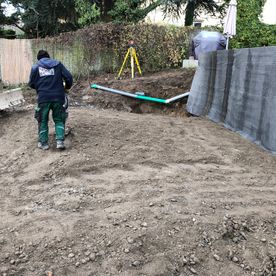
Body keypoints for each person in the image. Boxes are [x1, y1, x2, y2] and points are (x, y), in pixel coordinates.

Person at [29, 50, 73, 150]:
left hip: (43, 98)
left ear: (38, 59)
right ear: (49, 57)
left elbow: (31, 83)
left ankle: (44, 143)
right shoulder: (58, 65)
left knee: (42, 120)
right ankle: (60, 142)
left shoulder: (35, 67)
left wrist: (39, 88)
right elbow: (69, 77)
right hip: (58, 97)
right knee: (59, 119)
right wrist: (67, 87)